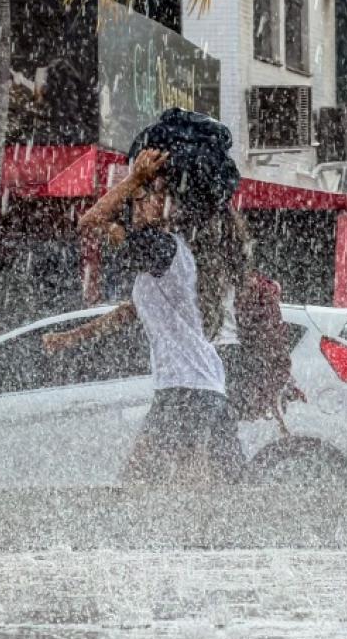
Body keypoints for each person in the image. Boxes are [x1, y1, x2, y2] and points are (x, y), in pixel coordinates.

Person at [43, 112, 244, 485]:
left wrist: (135, 177)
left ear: (170, 205)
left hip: (187, 389)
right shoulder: (169, 252)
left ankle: (158, 540)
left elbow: (89, 222)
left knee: (143, 482)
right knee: (192, 487)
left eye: (148, 197)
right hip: (200, 387)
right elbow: (129, 313)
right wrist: (70, 338)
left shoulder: (160, 247)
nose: (138, 202)